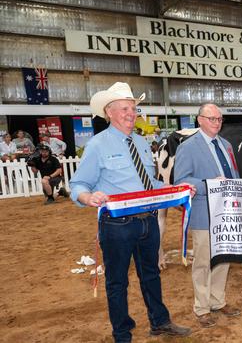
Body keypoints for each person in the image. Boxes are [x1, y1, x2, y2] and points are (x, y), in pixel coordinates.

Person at [69, 82, 193, 342]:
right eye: (124, 108)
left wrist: (176, 189)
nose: (131, 113)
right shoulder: (98, 145)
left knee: (151, 274)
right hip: (117, 225)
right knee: (117, 281)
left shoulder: (141, 142)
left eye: (134, 108)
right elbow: (78, 184)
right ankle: (121, 332)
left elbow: (150, 184)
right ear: (110, 112)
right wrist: (88, 196)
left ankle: (159, 322)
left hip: (147, 221)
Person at [174, 103, 241, 329]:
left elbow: (234, 174)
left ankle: (217, 301)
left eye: (219, 119)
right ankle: (202, 308)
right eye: (211, 118)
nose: (216, 123)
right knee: (203, 262)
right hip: (204, 212)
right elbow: (181, 180)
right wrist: (208, 184)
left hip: (227, 212)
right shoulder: (188, 146)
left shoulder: (227, 145)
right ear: (200, 120)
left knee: (224, 258)